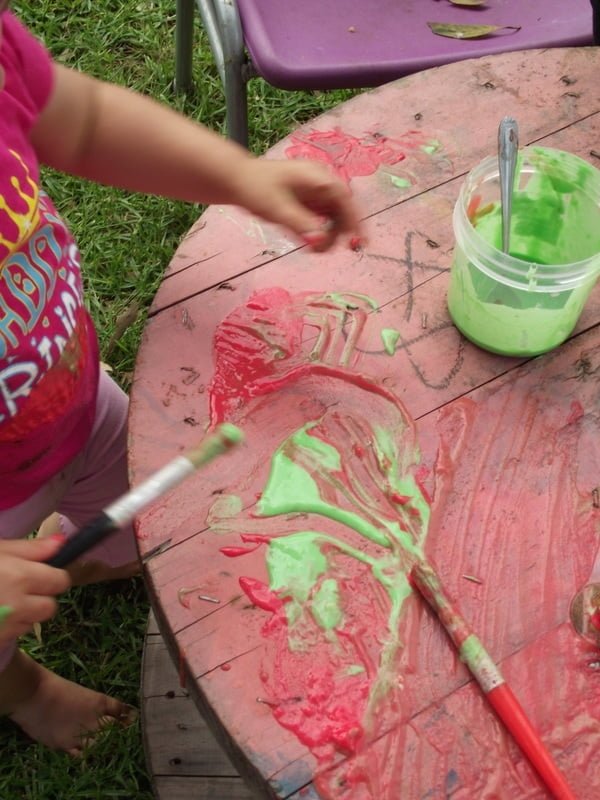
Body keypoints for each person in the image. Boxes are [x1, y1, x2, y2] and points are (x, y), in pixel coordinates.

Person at [0, 2, 362, 755]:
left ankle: (84, 551)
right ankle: (23, 689)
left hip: (80, 406)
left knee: (144, 528)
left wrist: (238, 175)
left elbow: (84, 118)